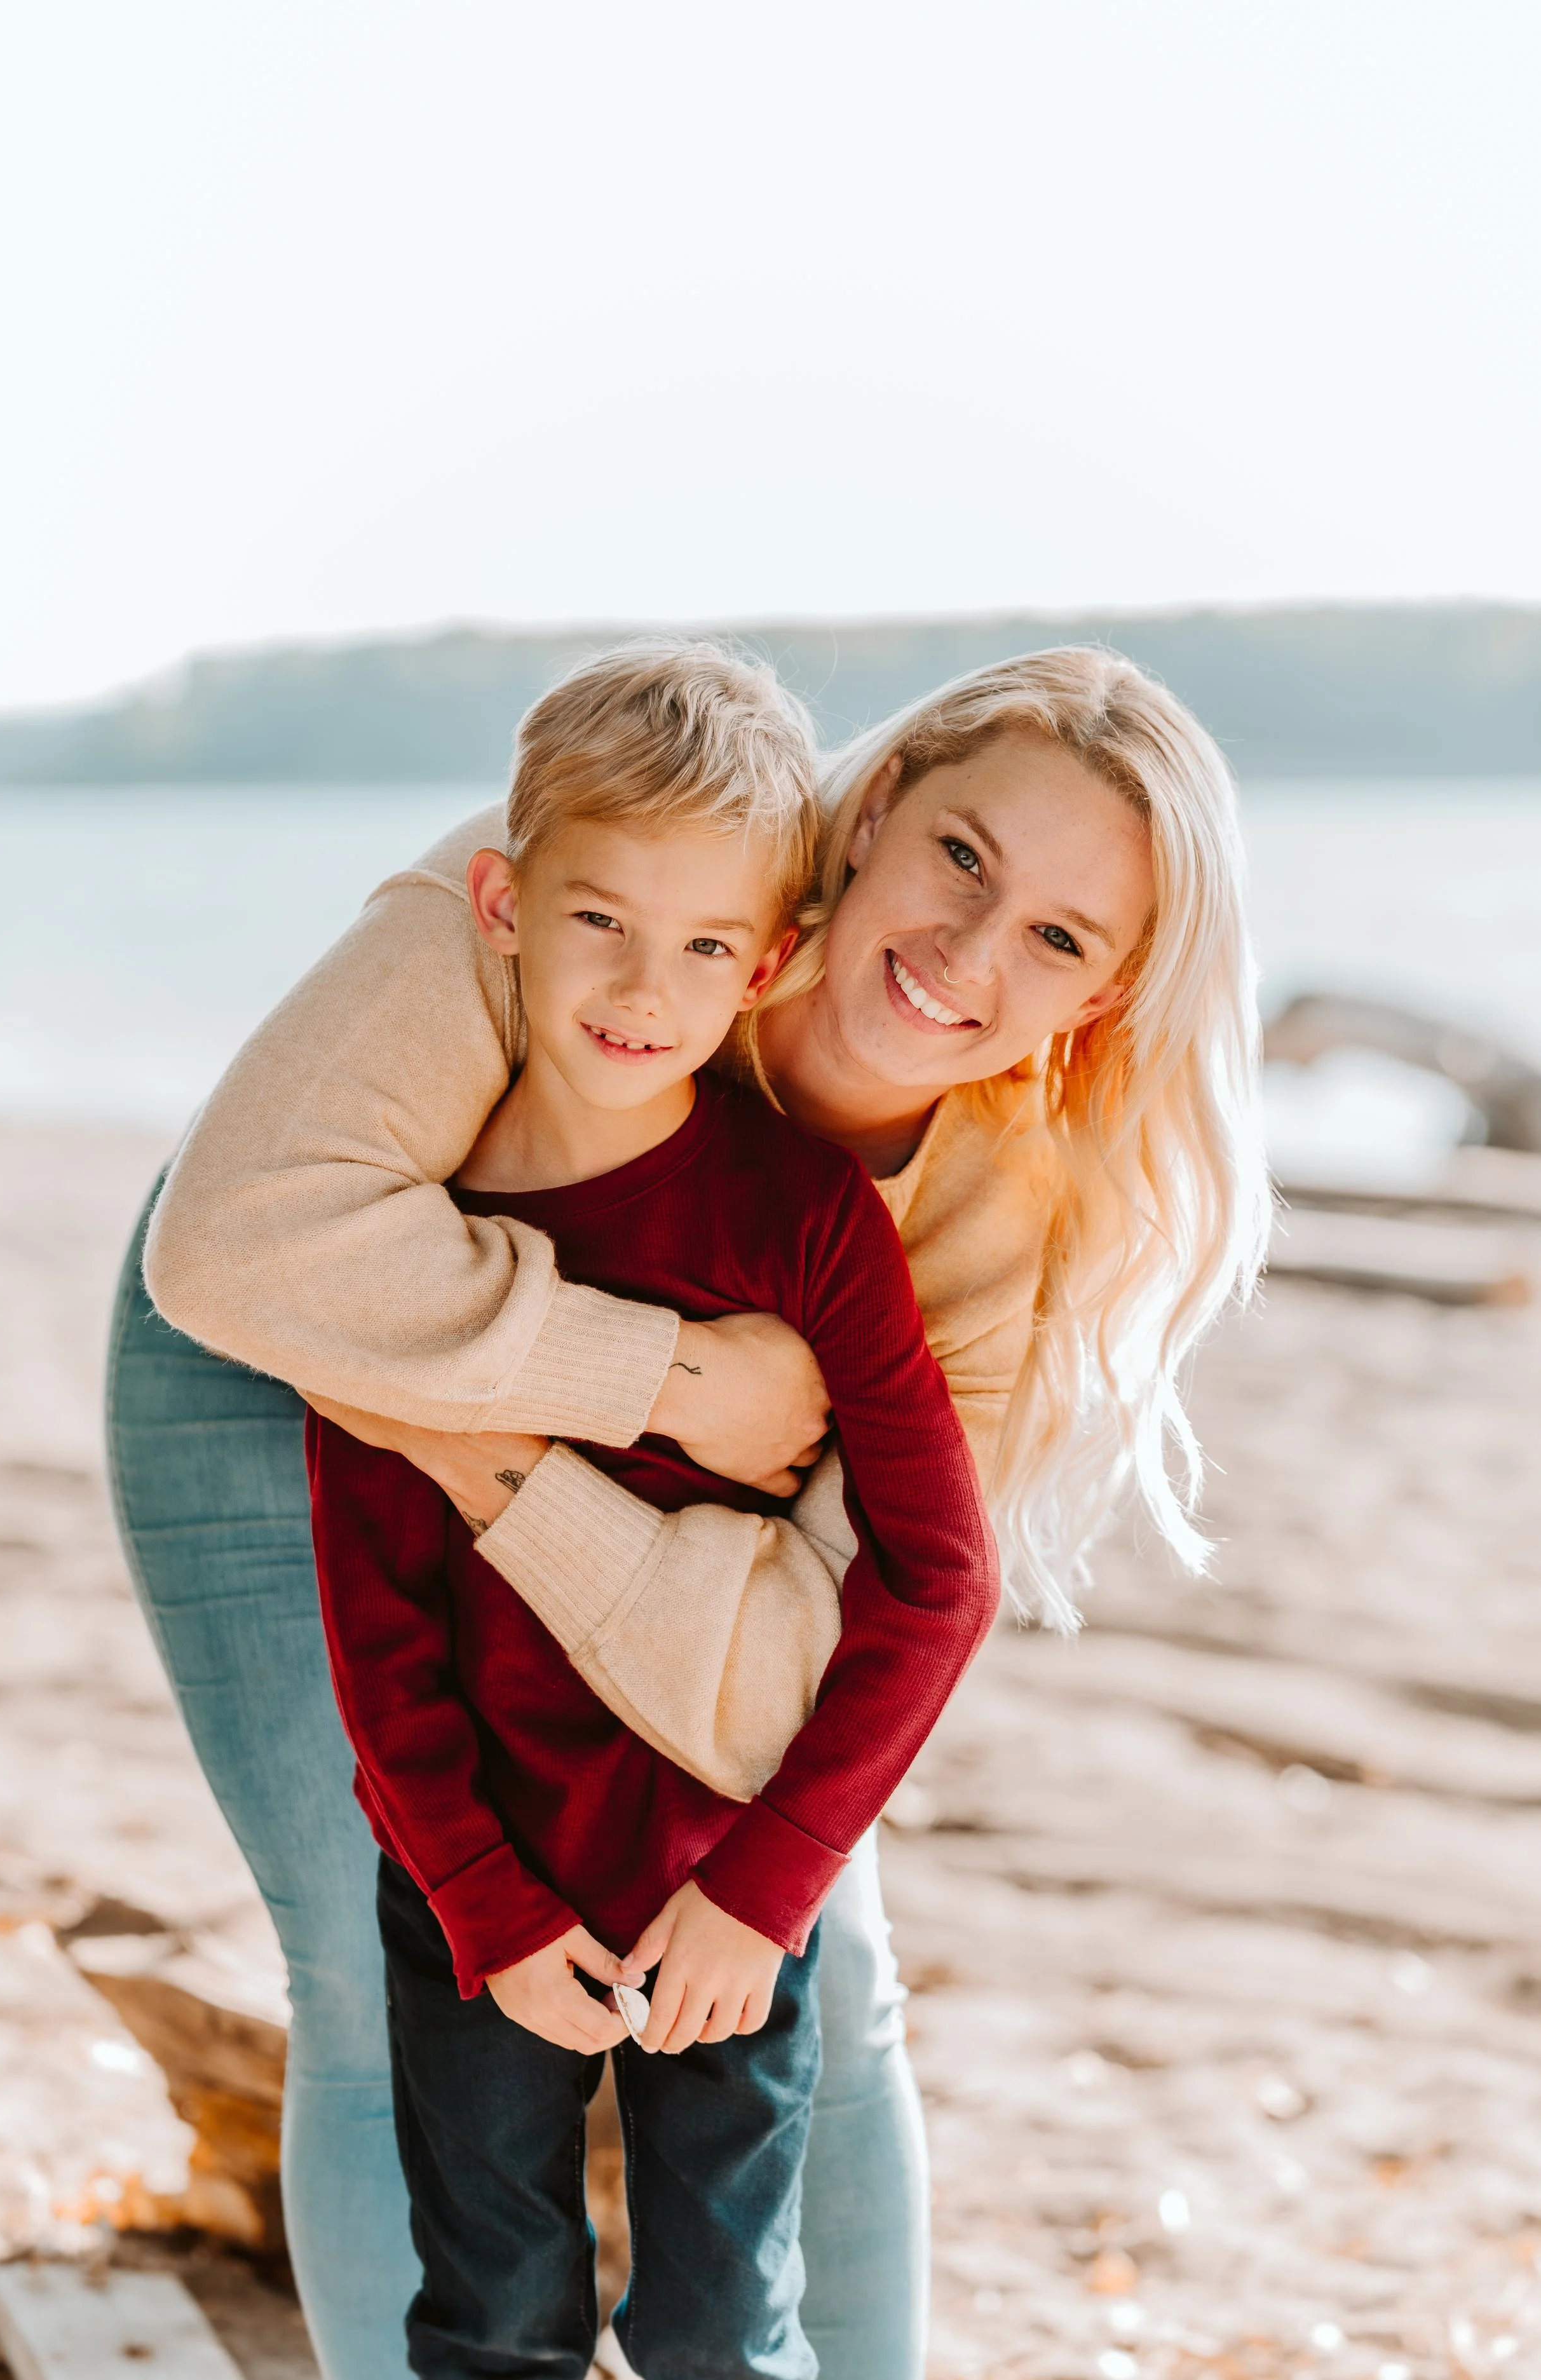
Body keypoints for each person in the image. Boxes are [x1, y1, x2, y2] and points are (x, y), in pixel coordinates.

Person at [108, 641, 1268, 2380]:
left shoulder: (988, 1230)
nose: (966, 951)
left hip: (464, 1443)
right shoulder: (624, 870)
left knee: (817, 1956)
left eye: (1057, 935)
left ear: (1100, 999)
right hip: (274, 1364)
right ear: (873, 806)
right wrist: (654, 1382)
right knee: (377, 1969)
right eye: (963, 856)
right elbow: (244, 1252)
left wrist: (483, 1456)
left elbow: (786, 1664)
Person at [306, 643, 1000, 2377]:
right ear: (502, 904)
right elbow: (376, 1622)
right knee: (495, 2318)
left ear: (765, 961)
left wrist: (769, 1892)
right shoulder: (420, 1237)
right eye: (598, 919)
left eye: (705, 947)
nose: (642, 985)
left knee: (716, 2332)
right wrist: (483, 1902)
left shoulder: (803, 1217)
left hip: (729, 1875)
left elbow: (941, 1577)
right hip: (482, 1890)